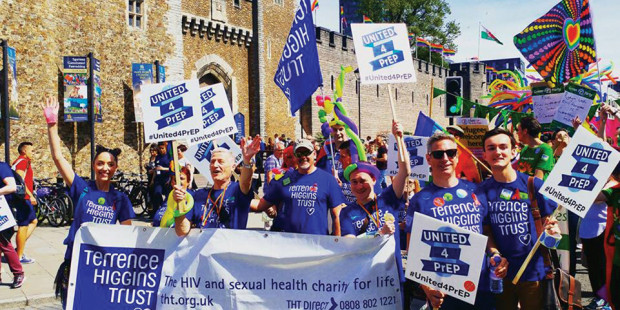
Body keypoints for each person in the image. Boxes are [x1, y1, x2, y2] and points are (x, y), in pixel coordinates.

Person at [42, 95, 135, 307]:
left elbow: (127, 236)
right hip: (75, 260)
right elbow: (58, 157)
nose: (105, 168)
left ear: (115, 169)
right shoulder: (82, 188)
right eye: (101, 163)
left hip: (103, 264)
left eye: (110, 164)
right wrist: (52, 125)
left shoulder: (120, 199)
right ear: (94, 165)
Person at [405, 132, 495, 309]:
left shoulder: (477, 191)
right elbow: (412, 250)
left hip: (481, 282)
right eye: (438, 154)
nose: (445, 158)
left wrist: (495, 254)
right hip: (443, 288)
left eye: (451, 153)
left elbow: (487, 232)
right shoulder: (419, 200)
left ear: (457, 156)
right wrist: (427, 288)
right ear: (429, 159)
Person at [478, 128, 559, 309]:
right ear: (484, 154)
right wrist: (494, 254)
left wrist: (553, 231)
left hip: (534, 272)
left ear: (514, 152)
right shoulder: (481, 191)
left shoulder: (532, 184)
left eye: (503, 147)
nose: (497, 152)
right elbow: (485, 231)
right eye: (491, 148)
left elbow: (550, 224)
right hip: (499, 274)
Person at [339, 121, 410, 308]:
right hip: (365, 278)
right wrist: (379, 234)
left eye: (362, 180)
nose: (358, 186)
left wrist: (399, 139)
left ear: (373, 179)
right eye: (353, 182)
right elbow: (349, 244)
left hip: (393, 275)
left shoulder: (388, 198)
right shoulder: (347, 212)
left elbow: (405, 171)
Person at [254, 139, 347, 235]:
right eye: (299, 154)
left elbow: (337, 215)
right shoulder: (285, 180)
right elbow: (260, 205)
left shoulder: (328, 180)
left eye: (306, 153)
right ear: (295, 156)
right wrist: (239, 199)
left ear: (314, 154)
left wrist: (337, 242)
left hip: (318, 243)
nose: (303, 157)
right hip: (289, 241)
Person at [174, 137, 262, 236]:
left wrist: (246, 160)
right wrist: (179, 206)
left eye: (221, 161)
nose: (215, 165)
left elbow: (245, 182)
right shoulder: (197, 195)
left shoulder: (238, 190)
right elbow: (182, 231)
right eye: (212, 162)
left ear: (233, 167)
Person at [12, 141, 38, 264]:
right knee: (23, 225)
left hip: (22, 198)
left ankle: (18, 249)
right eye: (31, 151)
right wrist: (30, 195)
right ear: (24, 151)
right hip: (23, 199)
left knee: (33, 221)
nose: (33, 153)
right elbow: (19, 179)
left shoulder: (19, 161)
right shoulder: (23, 161)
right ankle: (19, 256)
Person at [0, 161, 25, 288]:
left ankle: (18, 273)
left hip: (3, 211)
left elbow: (12, 186)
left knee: (4, 243)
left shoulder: (2, 167)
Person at [150, 142, 171, 215]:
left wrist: (163, 169)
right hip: (158, 179)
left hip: (166, 179)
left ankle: (165, 210)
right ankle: (156, 212)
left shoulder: (169, 157)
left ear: (165, 148)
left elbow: (172, 169)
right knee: (157, 193)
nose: (161, 150)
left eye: (162, 148)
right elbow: (156, 169)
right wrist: (153, 180)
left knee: (168, 196)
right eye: (160, 148)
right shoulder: (158, 157)